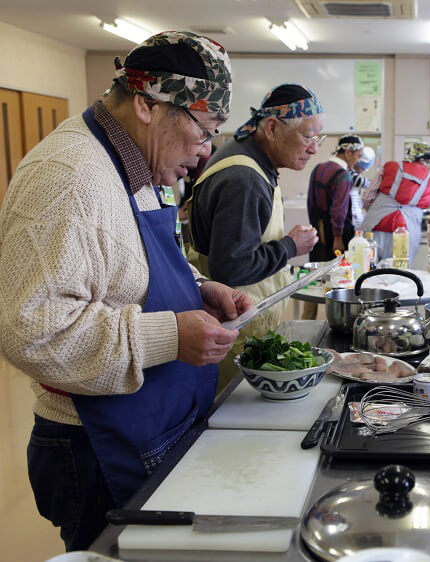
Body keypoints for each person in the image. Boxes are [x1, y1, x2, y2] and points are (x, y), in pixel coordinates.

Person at [0, 32, 251, 550]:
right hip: (93, 442)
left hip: (152, 419)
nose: (205, 153)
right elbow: (29, 330)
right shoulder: (68, 176)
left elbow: (132, 265)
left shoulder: (138, 163)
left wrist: (199, 288)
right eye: (204, 132)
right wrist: (167, 336)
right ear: (147, 104)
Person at [187, 83, 322, 392]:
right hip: (234, 331)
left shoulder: (254, 164)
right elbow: (231, 267)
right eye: (308, 136)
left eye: (318, 137)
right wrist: (290, 247)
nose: (314, 148)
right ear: (272, 128)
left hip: (245, 324)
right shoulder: (244, 178)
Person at [360, 141, 430, 263]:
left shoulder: (390, 167)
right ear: (429, 162)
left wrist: (374, 210)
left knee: (365, 269)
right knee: (398, 275)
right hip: (405, 234)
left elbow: (367, 196)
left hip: (373, 228)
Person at [307, 135, 363, 261]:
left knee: (320, 273)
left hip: (317, 231)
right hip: (337, 234)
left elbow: (310, 203)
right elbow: (339, 209)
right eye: (358, 156)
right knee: (341, 275)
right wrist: (338, 238)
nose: (358, 161)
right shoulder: (342, 175)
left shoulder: (318, 168)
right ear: (348, 153)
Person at [349, 145, 376, 229]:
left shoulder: (356, 175)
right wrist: (375, 184)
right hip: (350, 219)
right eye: (361, 169)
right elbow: (358, 181)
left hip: (356, 220)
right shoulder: (348, 173)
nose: (361, 172)